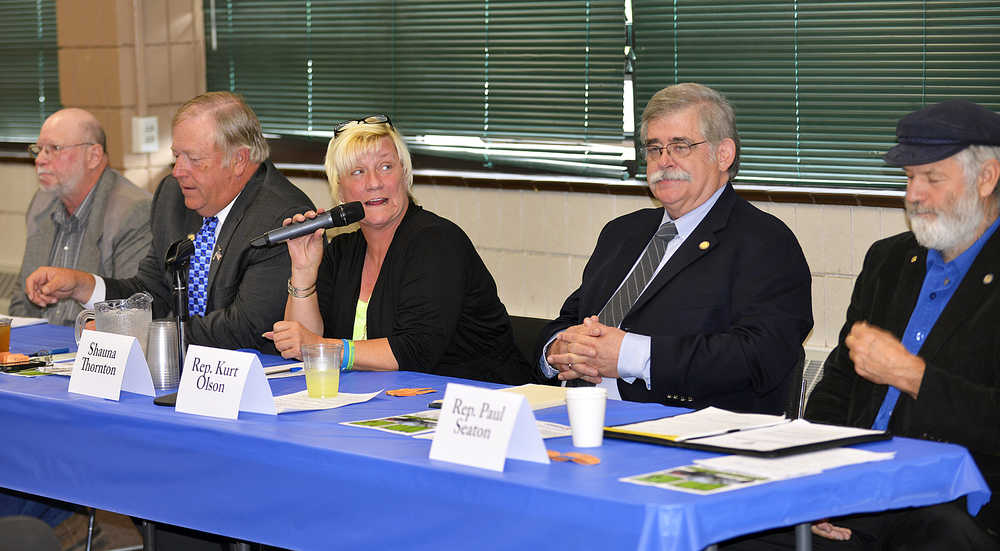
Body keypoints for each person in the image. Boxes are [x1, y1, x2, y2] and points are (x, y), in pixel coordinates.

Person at [724, 100, 1000, 550]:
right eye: (909, 178)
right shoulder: (891, 260)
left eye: (932, 179)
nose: (914, 195)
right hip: (859, 488)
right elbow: (836, 386)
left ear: (986, 178)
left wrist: (913, 377)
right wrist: (816, 482)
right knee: (734, 534)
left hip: (956, 505)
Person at [538, 83, 812, 413]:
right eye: (654, 149)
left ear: (723, 154)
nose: (663, 161)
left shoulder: (765, 242)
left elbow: (759, 357)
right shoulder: (623, 233)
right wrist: (557, 350)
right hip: (572, 415)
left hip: (680, 429)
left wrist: (630, 356)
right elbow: (571, 318)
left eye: (679, 146)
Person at [23, 92, 315, 354]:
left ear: (239, 160)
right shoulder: (173, 197)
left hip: (256, 379)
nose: (178, 171)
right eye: (176, 156)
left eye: (194, 159)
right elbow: (153, 290)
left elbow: (245, 326)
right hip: (183, 369)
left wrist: (143, 336)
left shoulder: (280, 216)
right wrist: (84, 286)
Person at [265, 114, 539, 384]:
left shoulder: (437, 242)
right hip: (387, 403)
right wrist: (303, 270)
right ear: (339, 189)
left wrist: (329, 349)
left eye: (385, 167)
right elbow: (303, 347)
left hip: (478, 406)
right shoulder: (343, 251)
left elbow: (414, 350)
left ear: (405, 175)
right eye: (358, 172)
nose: (374, 182)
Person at [9, 108, 151, 325]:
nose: (40, 160)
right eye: (39, 149)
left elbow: (135, 307)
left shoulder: (133, 211)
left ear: (93, 156)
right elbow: (22, 298)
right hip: (40, 349)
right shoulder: (42, 202)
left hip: (91, 349)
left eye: (54, 149)